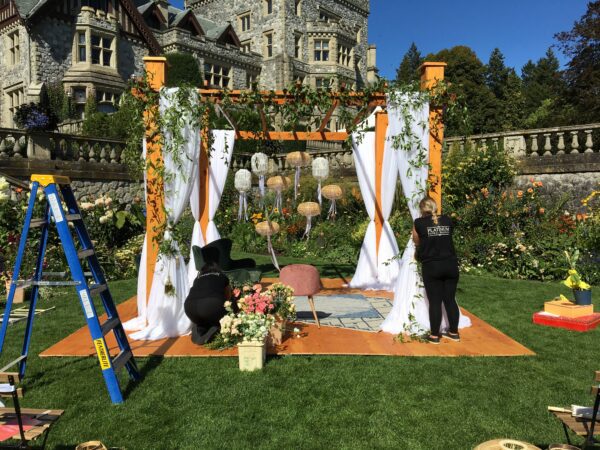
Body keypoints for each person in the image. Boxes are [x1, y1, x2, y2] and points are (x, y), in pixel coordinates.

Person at [412, 197, 461, 344]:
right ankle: (454, 332)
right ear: (435, 207)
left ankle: (434, 336)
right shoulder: (447, 220)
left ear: (422, 209)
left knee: (435, 301)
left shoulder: (419, 223)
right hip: (451, 265)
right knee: (450, 300)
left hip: (432, 266)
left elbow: (416, 241)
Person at [184, 262, 232, 345]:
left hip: (189, 308)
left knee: (204, 315)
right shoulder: (222, 276)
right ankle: (216, 326)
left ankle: (200, 328)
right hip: (211, 305)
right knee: (230, 304)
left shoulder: (197, 278)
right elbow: (228, 296)